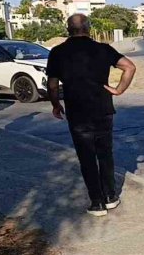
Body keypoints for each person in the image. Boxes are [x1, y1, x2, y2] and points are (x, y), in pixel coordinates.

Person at [46, 14, 137, 217]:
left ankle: (96, 203)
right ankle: (111, 196)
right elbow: (129, 67)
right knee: (105, 154)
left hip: (77, 112)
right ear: (88, 28)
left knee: (86, 157)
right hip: (103, 108)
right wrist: (119, 89)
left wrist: (55, 104)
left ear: (68, 29)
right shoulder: (103, 49)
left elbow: (52, 84)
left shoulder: (58, 52)